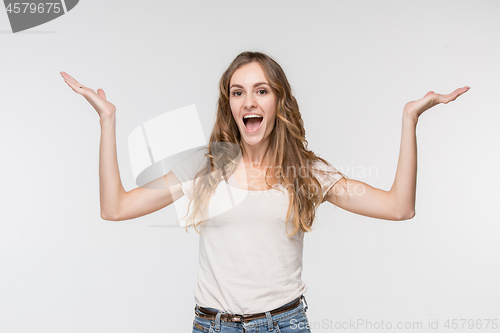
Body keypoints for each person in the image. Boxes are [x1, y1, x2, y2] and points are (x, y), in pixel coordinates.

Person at [60, 51, 469, 333]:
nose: (248, 100)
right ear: (229, 104)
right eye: (238, 92)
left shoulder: (306, 172)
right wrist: (108, 121)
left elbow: (399, 208)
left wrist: (409, 119)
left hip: (283, 324)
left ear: (278, 101)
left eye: (261, 90)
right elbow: (115, 208)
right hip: (212, 325)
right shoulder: (204, 166)